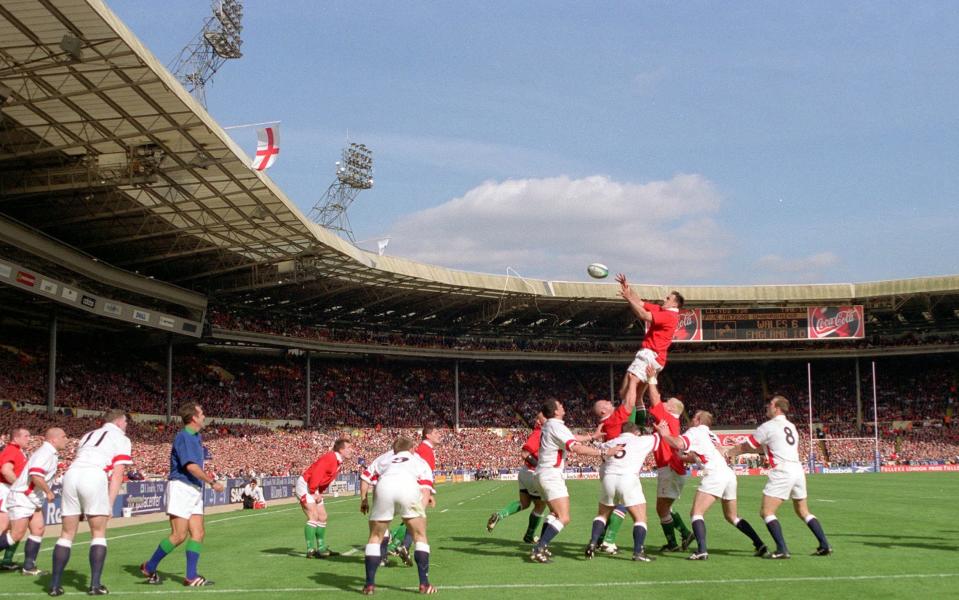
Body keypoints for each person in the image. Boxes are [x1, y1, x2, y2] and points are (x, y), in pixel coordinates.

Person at [724, 396, 833, 558]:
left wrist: (729, 452)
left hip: (782, 471)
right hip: (797, 469)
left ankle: (782, 549)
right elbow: (770, 447)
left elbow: (747, 445)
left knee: (766, 511)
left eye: (770, 404)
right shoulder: (791, 426)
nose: (767, 407)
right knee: (803, 511)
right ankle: (825, 545)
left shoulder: (768, 426)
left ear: (777, 408)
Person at [655, 412, 767, 560]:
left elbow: (678, 443)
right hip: (728, 475)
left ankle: (702, 551)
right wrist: (682, 458)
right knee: (732, 516)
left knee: (696, 513)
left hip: (714, 475)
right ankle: (759, 544)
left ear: (699, 420)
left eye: (693, 417)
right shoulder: (711, 435)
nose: (690, 420)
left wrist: (665, 434)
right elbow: (700, 456)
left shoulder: (695, 431)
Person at [48, 410, 133, 596]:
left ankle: (54, 585)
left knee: (66, 533)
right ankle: (95, 585)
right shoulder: (122, 438)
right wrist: (110, 504)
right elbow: (118, 474)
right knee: (98, 533)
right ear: (119, 422)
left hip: (71, 475)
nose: (127, 425)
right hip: (94, 475)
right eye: (126, 421)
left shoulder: (88, 435)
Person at [140, 403, 225, 586]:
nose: (204, 416)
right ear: (194, 417)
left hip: (193, 488)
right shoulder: (185, 436)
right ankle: (150, 566)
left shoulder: (195, 436)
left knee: (199, 533)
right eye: (201, 413)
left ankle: (191, 576)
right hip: (181, 487)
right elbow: (191, 466)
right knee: (179, 535)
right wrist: (212, 482)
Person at [530, 399, 623, 564]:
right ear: (556, 411)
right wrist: (604, 452)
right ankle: (539, 548)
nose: (563, 406)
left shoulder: (550, 426)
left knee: (554, 514)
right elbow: (576, 448)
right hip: (551, 475)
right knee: (564, 517)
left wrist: (591, 436)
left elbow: (571, 437)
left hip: (542, 474)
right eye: (560, 405)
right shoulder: (557, 426)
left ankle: (541, 546)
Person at [359, 436, 436, 595]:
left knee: (375, 537)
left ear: (394, 450)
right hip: (408, 487)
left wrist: (364, 499)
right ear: (412, 449)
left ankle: (369, 585)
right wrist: (418, 513)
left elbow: (365, 477)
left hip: (384, 486)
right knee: (420, 536)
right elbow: (426, 490)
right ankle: (424, 584)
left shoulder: (383, 458)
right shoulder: (419, 461)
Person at [585, 422, 659, 562]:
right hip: (628, 478)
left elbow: (599, 448)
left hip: (609, 478)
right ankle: (638, 552)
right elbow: (659, 437)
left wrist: (594, 438)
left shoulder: (612, 442)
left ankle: (593, 542)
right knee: (640, 518)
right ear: (636, 432)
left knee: (602, 515)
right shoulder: (641, 440)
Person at [615, 274, 683, 425]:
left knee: (628, 387)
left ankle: (624, 426)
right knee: (634, 395)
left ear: (675, 304)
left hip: (650, 355)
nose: (664, 300)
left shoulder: (669, 316)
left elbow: (642, 314)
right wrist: (627, 288)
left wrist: (627, 298)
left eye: (668, 298)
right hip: (656, 358)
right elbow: (640, 302)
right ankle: (639, 427)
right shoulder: (663, 311)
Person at [0, 428, 68, 575]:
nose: (66, 439)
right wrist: (48, 492)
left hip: (32, 498)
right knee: (16, 534)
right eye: (64, 437)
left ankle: (29, 567)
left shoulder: (50, 453)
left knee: (38, 529)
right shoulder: (45, 453)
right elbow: (36, 476)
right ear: (53, 439)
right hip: (23, 497)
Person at [589, 389, 640, 554]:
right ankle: (608, 541)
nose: (611, 402)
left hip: (609, 468)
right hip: (615, 469)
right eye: (607, 402)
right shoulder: (612, 421)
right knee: (623, 503)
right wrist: (634, 378)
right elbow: (629, 403)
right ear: (603, 411)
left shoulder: (607, 423)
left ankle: (598, 540)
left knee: (607, 507)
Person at [646, 380, 694, 552]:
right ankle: (676, 541)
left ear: (672, 409)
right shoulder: (671, 420)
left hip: (669, 468)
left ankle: (684, 534)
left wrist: (652, 379)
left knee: (661, 508)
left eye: (668, 402)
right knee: (666, 508)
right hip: (670, 468)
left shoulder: (668, 417)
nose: (664, 403)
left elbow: (655, 400)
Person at [487, 412, 547, 543]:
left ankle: (500, 515)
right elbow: (525, 453)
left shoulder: (542, 432)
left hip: (526, 473)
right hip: (532, 473)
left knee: (524, 503)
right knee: (540, 506)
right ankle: (529, 536)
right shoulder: (538, 433)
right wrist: (540, 467)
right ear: (540, 421)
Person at [388, 426, 441, 565]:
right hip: (415, 489)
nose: (439, 435)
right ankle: (395, 544)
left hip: (412, 488)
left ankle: (400, 545)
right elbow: (422, 472)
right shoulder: (425, 450)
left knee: (413, 518)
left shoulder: (426, 449)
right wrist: (428, 493)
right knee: (416, 518)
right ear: (428, 436)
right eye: (436, 432)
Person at [295, 438, 353, 557]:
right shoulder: (330, 457)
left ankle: (321, 548)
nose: (351, 450)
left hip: (313, 487)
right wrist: (313, 491)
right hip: (306, 485)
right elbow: (317, 472)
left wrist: (319, 492)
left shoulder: (338, 461)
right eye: (348, 448)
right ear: (341, 450)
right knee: (313, 516)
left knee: (322, 517)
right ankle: (310, 549)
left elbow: (324, 479)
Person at [0, 427, 29, 570]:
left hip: (9, 490)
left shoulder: (18, 451)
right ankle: (6, 560)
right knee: (4, 526)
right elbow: (5, 470)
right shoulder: (12, 450)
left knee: (15, 527)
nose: (28, 438)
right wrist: (20, 486)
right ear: (15, 437)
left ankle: (7, 560)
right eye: (25, 436)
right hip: (5, 490)